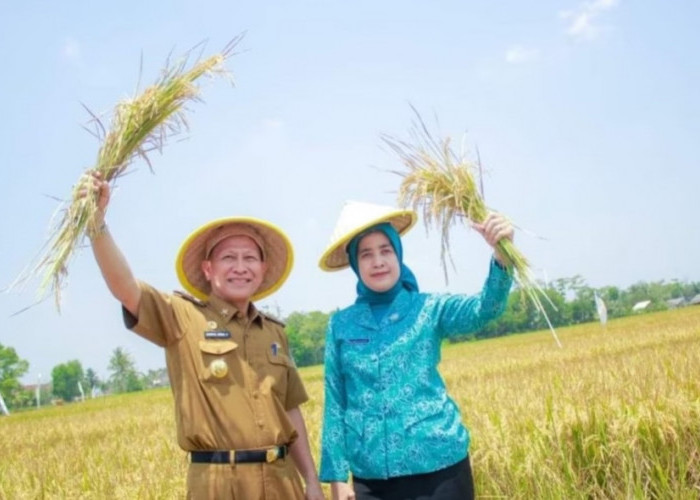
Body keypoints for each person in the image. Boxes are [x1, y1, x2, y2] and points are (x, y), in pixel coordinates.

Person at [84, 173, 324, 500]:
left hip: (282, 483)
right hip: (218, 485)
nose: (240, 267)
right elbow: (126, 289)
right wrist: (97, 224)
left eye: (249, 258)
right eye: (229, 258)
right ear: (209, 269)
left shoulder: (274, 332)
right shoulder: (182, 317)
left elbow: (291, 411)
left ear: (263, 269)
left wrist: (310, 480)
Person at [317, 201, 514, 500]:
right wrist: (336, 477)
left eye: (386, 250)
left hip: (440, 469)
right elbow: (336, 400)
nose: (378, 261)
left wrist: (502, 255)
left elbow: (485, 309)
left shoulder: (429, 309)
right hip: (371, 478)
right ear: (356, 265)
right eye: (366, 254)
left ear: (398, 254)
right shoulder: (341, 325)